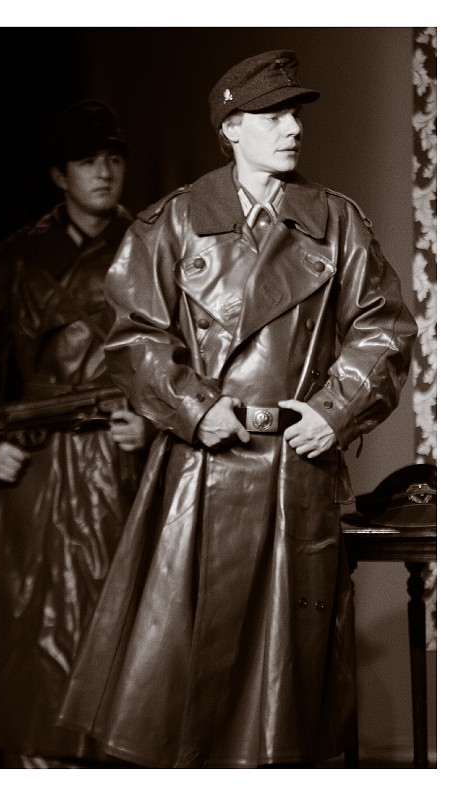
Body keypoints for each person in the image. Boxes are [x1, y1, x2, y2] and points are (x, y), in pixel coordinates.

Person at [58, 51, 418, 768]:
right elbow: (132, 336)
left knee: (293, 680)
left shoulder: (336, 221)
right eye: (272, 116)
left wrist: (333, 411)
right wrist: (194, 407)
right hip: (201, 470)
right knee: (194, 671)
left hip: (297, 468)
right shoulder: (173, 222)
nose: (293, 129)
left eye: (295, 115)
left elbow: (384, 328)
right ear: (230, 128)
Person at [0, 100, 153, 768]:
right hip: (36, 472)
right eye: (87, 161)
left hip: (121, 465)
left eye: (114, 158)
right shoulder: (13, 260)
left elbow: (187, 362)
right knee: (33, 652)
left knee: (125, 640)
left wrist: (151, 423)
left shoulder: (153, 249)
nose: (104, 172)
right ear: (58, 175)